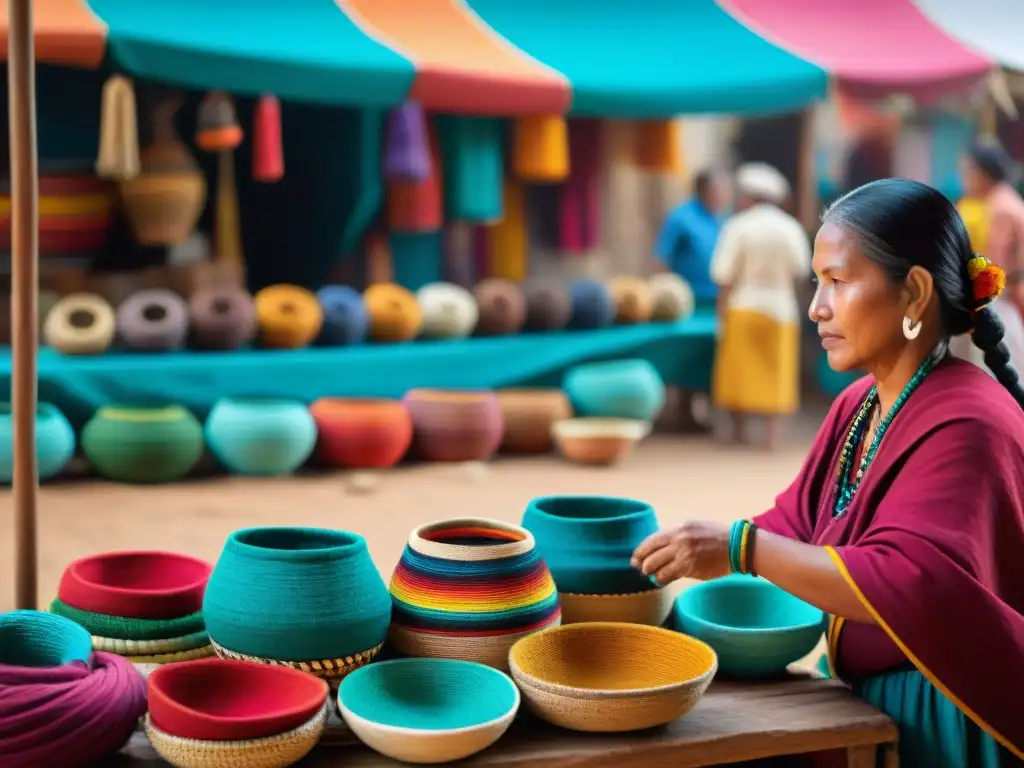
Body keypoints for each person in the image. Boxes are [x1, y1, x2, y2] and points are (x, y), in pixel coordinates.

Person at [632, 179, 1024, 767]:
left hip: (950, 712)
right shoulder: (861, 403)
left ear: (914, 292)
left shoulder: (971, 421)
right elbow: (794, 524)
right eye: (818, 282)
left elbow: (913, 580)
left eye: (838, 282)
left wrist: (742, 547)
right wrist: (680, 552)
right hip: (866, 696)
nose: (816, 306)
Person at [710, 163, 810, 450]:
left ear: (748, 197)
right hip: (781, 308)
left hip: (744, 304)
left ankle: (738, 432)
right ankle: (771, 436)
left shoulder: (737, 226)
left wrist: (721, 314)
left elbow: (724, 275)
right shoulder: (791, 228)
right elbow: (801, 271)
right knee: (777, 373)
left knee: (739, 371)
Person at [652, 168, 732, 432]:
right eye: (718, 190)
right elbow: (661, 258)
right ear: (703, 191)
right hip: (687, 303)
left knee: (708, 359)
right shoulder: (680, 218)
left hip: (715, 303)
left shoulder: (721, 220)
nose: (723, 195)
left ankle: (700, 414)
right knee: (683, 356)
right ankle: (680, 411)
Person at [952, 140, 1024, 372]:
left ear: (982, 173)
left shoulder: (999, 209)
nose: (964, 180)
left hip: (1006, 299)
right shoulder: (1006, 199)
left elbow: (998, 271)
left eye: (967, 172)